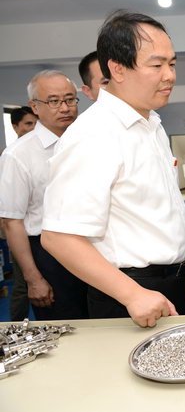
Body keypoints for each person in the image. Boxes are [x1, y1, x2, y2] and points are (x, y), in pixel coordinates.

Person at [40, 11, 185, 328]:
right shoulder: (95, 134)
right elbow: (58, 237)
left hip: (172, 281)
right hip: (128, 293)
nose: (169, 75)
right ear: (118, 68)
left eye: (172, 64)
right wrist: (132, 294)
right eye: (157, 65)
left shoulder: (151, 124)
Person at [0, 70, 88, 321]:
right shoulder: (18, 155)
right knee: (65, 329)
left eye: (70, 99)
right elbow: (12, 221)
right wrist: (33, 278)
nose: (65, 108)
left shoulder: (87, 142)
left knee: (107, 323)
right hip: (49, 254)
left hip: (94, 244)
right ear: (34, 106)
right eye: (54, 101)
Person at [4, 106, 37, 321]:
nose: (33, 128)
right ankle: (15, 326)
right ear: (15, 127)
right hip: (20, 232)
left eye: (35, 123)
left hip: (39, 235)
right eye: (27, 124)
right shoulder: (12, 156)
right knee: (22, 285)